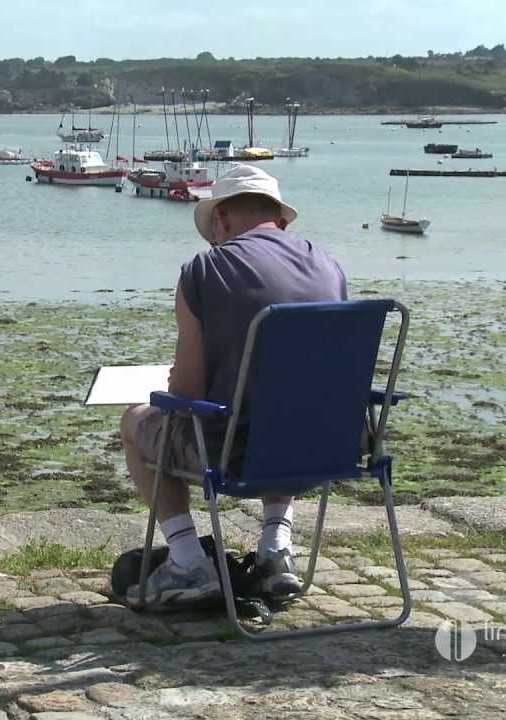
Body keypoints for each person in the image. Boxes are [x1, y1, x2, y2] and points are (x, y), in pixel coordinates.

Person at [121, 164, 347, 608]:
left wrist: (168, 393)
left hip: (239, 454)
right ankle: (275, 549)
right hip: (326, 448)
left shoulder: (205, 271)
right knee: (284, 405)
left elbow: (186, 391)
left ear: (221, 219)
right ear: (280, 219)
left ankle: (187, 560)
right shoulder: (330, 267)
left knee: (135, 421)